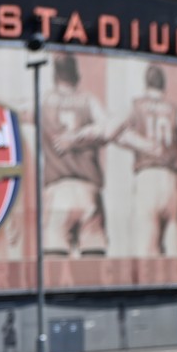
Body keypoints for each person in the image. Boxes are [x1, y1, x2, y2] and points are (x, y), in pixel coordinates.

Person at [115, 64, 177, 256]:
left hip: (147, 175)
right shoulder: (173, 109)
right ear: (164, 84)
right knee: (175, 245)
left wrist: (136, 142)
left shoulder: (136, 105)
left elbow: (114, 130)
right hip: (171, 178)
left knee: (147, 246)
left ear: (146, 83)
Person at [39, 54, 110, 261]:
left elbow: (14, 106)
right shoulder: (89, 101)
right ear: (77, 75)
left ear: (54, 76)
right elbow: (107, 128)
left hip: (58, 192)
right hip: (88, 192)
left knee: (54, 262)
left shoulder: (44, 100)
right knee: (94, 259)